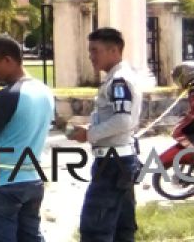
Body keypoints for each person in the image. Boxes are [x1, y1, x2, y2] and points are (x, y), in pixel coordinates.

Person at [0, 35, 55, 242]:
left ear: (8, 60)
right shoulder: (45, 92)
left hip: (0, 184)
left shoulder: (7, 96)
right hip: (31, 180)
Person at [70, 28, 143, 242]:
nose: (91, 56)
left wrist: (90, 134)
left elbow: (123, 120)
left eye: (95, 50)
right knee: (123, 229)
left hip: (112, 163)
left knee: (95, 229)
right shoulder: (120, 77)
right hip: (120, 159)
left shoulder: (119, 80)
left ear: (113, 51)